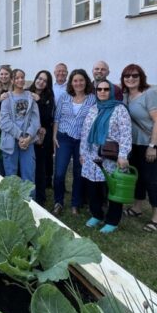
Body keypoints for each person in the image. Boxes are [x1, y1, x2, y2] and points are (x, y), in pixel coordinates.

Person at [80, 80, 132, 234]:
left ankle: (112, 221)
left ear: (112, 92)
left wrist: (123, 155)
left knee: (113, 188)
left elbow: (126, 134)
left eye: (106, 89)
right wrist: (82, 153)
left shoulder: (119, 110)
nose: (102, 92)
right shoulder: (93, 108)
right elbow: (85, 133)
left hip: (111, 156)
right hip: (91, 155)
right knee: (93, 187)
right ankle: (96, 214)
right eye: (99, 89)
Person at [122, 64, 157, 232]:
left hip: (149, 144)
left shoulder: (150, 95)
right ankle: (137, 208)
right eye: (127, 76)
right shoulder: (126, 96)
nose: (130, 79)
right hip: (133, 144)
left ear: (141, 77)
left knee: (150, 180)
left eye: (134, 75)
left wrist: (152, 146)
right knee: (138, 178)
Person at [52, 69, 96, 216]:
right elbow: (57, 118)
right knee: (59, 173)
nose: (78, 83)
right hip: (63, 138)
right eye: (75, 80)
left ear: (86, 81)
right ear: (71, 82)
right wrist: (54, 137)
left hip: (82, 141)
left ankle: (75, 204)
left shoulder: (92, 99)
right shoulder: (64, 97)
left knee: (79, 173)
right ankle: (58, 202)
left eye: (81, 80)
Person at [0, 69, 40, 186]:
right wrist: (19, 136)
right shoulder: (7, 98)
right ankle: (13, 203)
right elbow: (4, 122)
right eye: (17, 78)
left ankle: (30, 203)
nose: (20, 80)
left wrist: (28, 136)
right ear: (12, 80)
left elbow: (35, 120)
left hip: (28, 141)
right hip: (10, 141)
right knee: (11, 176)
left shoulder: (31, 98)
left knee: (28, 176)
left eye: (22, 77)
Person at [28, 70, 55, 204]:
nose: (41, 82)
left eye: (44, 80)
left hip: (41, 137)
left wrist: (38, 101)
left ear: (47, 84)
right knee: (27, 166)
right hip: (26, 135)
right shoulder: (26, 92)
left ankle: (40, 198)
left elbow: (45, 118)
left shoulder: (49, 97)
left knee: (40, 167)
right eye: (39, 78)